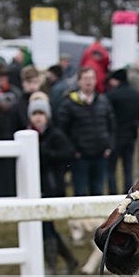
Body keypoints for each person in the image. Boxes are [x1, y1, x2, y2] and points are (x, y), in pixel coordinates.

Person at [27, 93, 77, 274]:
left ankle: (52, 265)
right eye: (34, 114)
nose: (38, 117)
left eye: (41, 113)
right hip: (34, 187)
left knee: (46, 225)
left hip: (51, 186)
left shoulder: (55, 134)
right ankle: (69, 260)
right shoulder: (27, 135)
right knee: (44, 226)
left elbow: (67, 154)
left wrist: (45, 153)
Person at [57, 66, 116, 195]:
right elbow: (62, 130)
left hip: (101, 155)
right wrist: (73, 150)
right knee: (80, 191)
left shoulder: (103, 101)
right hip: (80, 157)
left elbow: (111, 126)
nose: (89, 82)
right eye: (85, 79)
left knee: (98, 190)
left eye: (91, 78)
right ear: (79, 81)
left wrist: (109, 146)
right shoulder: (69, 103)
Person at [106, 68, 139, 193]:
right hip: (131, 135)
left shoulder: (112, 95)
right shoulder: (137, 95)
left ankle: (112, 192)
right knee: (128, 169)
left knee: (111, 169)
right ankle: (127, 193)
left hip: (115, 136)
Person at [9, 65, 42, 135]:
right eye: (29, 82)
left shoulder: (45, 102)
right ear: (23, 83)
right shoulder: (17, 106)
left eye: (35, 82)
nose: (32, 86)